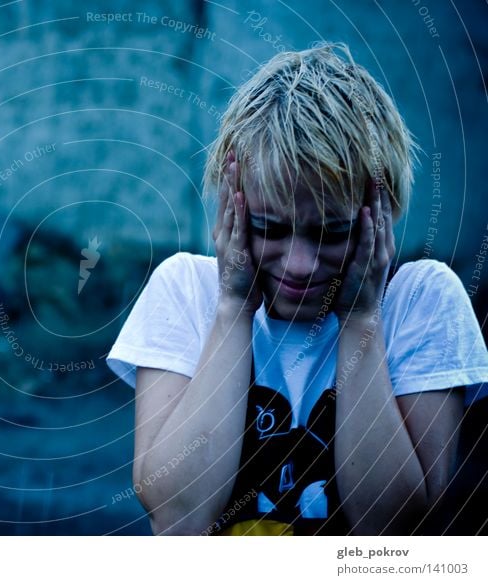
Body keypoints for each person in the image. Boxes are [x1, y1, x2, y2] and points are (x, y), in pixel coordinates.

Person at [106, 43, 488, 535]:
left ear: (383, 214)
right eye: (269, 227)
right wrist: (232, 308)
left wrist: (362, 320)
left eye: (331, 233)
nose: (301, 265)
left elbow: (391, 529)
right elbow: (179, 517)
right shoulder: (185, 292)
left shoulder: (422, 302)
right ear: (232, 206)